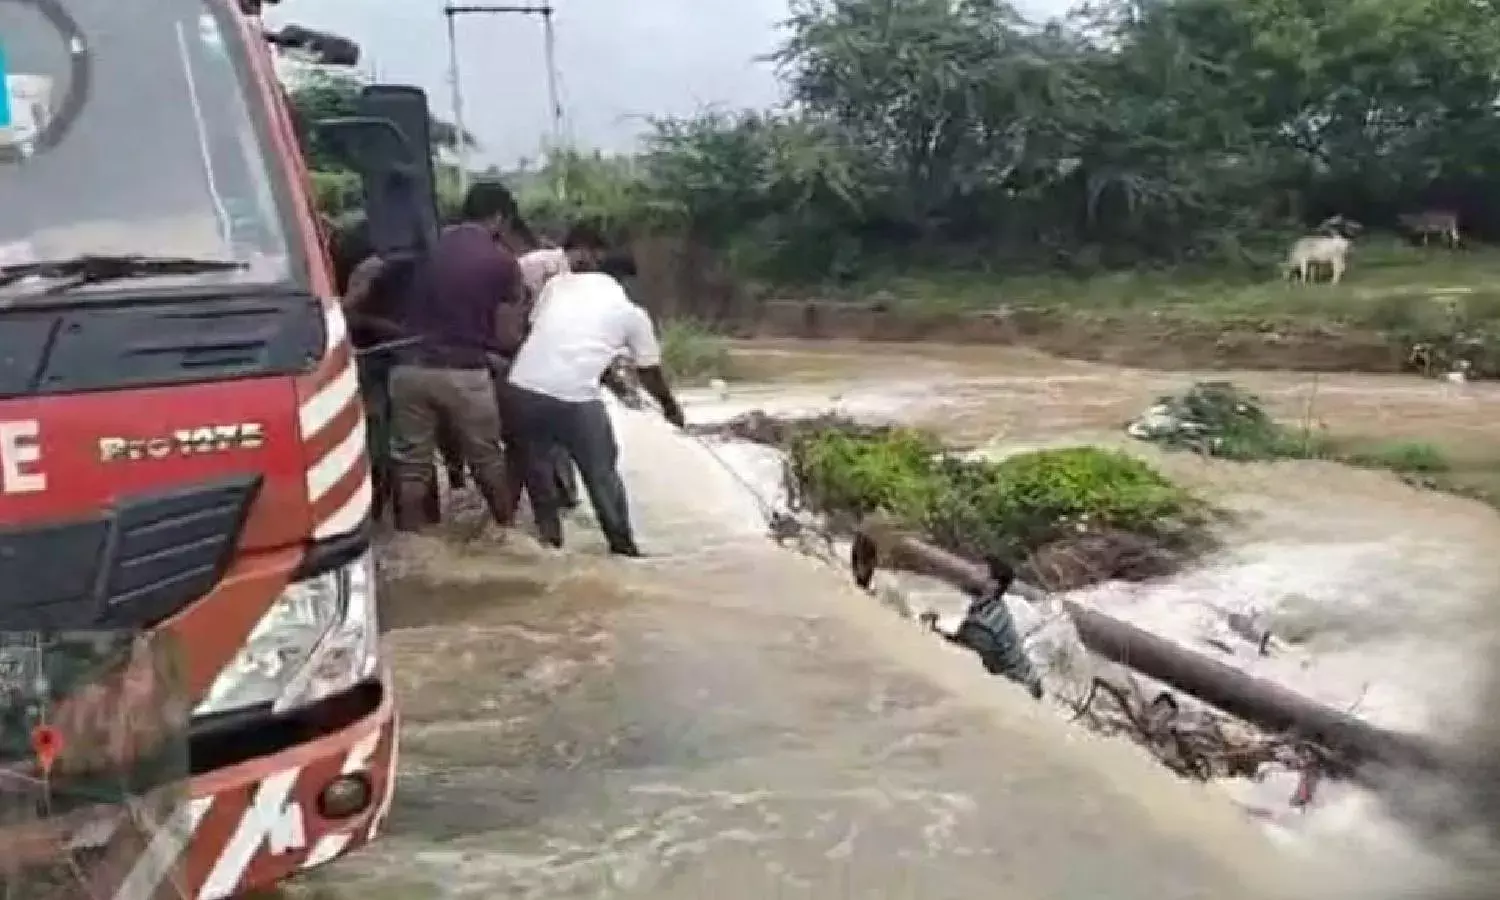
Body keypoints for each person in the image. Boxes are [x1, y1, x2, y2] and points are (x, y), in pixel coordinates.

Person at [505, 222, 684, 556]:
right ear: (625, 281)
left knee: (538, 479)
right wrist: (670, 408)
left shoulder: (556, 287)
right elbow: (650, 372)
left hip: (520, 390)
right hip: (573, 400)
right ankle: (624, 550)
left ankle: (547, 548)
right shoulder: (630, 313)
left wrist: (610, 382)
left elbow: (553, 340)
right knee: (601, 475)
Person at [379, 182, 529, 532]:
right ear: (499, 217)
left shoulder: (425, 247)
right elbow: (507, 337)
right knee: (488, 459)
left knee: (412, 463)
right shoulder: (501, 262)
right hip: (464, 373)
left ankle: (411, 539)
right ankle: (508, 535)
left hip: (407, 370)